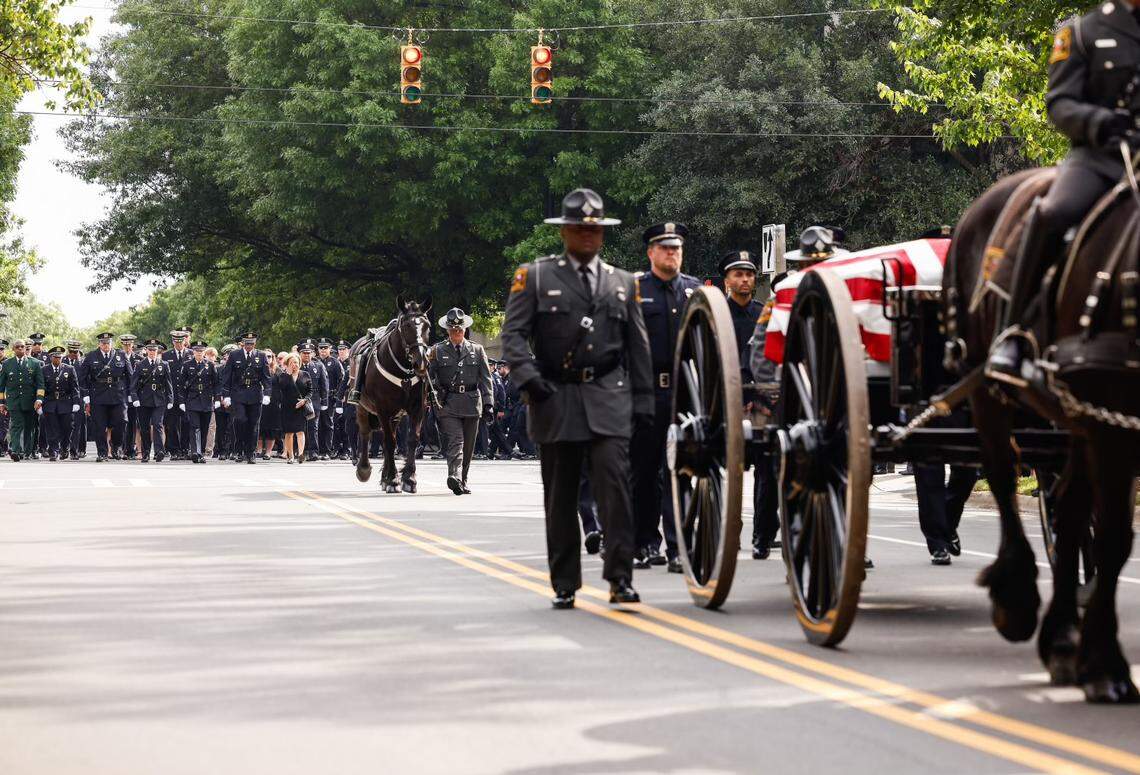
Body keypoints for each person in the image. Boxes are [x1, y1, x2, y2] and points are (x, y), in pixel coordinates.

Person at [500, 188, 653, 609]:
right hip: (555, 396)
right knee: (561, 496)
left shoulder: (623, 282)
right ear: (565, 231)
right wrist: (529, 379)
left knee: (616, 489)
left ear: (602, 233)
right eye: (580, 228)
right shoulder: (534, 276)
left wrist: (644, 401)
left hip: (608, 395)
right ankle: (564, 580)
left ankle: (620, 577)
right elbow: (512, 336)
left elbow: (636, 346)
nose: (588, 234)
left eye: (595, 228)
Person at [988, 1, 1140, 386]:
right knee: (1053, 212)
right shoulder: (1082, 32)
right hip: (1101, 159)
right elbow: (1059, 103)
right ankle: (1014, 334)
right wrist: (1099, 122)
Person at [747, 225, 845, 559]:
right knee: (777, 471)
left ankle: (843, 539)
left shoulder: (846, 297)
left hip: (832, 398)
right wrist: (776, 392)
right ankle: (769, 534)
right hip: (792, 398)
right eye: (811, 264)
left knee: (842, 468)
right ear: (802, 265)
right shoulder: (780, 300)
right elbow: (761, 350)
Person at [631, 222, 702, 573]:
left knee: (680, 470)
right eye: (665, 248)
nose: (672, 253)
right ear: (651, 252)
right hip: (644, 394)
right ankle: (645, 542)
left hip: (685, 395)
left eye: (676, 248)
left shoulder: (696, 291)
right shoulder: (635, 290)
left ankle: (679, 547)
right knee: (644, 473)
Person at [428, 308, 494, 495]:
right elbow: (429, 376)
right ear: (447, 331)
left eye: (460, 330)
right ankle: (454, 476)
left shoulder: (477, 350)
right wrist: (432, 394)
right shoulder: (438, 351)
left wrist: (489, 404)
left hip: (473, 402)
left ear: (464, 330)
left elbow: (486, 379)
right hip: (448, 403)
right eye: (453, 330)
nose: (457, 333)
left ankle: (463, 479)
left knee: (469, 445)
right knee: (456, 441)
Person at [79, 332, 132, 462]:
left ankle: (116, 446)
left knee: (122, 421)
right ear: (99, 344)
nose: (106, 345)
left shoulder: (121, 355)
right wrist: (86, 396)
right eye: (103, 343)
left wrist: (131, 394)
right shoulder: (91, 356)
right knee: (99, 426)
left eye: (108, 343)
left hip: (118, 394)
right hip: (98, 395)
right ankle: (102, 452)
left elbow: (130, 376)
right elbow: (82, 378)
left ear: (111, 343)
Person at [220, 332, 272, 464]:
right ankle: (239, 449)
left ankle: (251, 452)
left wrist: (267, 393)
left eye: (252, 344)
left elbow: (266, 377)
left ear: (255, 344)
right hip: (238, 393)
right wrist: (226, 395)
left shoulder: (261, 356)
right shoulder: (234, 355)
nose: (249, 346)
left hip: (255, 393)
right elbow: (227, 376)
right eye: (247, 343)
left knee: (254, 424)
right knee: (240, 420)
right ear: (243, 343)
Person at [721, 250, 764, 385]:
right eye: (738, 274)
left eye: (749, 274)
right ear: (727, 281)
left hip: (759, 391)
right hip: (725, 389)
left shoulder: (763, 313)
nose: (745, 279)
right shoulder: (718, 313)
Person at [130, 339, 174, 463]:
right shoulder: (140, 365)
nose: (152, 352)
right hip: (144, 400)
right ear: (146, 350)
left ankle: (159, 451)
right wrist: (135, 398)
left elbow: (168, 383)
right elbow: (134, 384)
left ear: (157, 351)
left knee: (158, 424)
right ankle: (145, 452)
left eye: (154, 350)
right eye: (150, 350)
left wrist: (170, 398)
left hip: (159, 400)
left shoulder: (164, 364)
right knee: (144, 428)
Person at [0, 339, 45, 461]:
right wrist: (1, 403)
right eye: (17, 347)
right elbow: (1, 386)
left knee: (30, 428)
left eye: (22, 347)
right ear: (13, 349)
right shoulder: (7, 364)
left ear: (25, 348)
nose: (20, 348)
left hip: (30, 401)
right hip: (13, 402)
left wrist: (39, 399)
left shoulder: (34, 363)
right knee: (16, 426)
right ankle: (16, 451)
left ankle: (27, 451)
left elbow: (40, 384)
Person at [178, 340, 221, 464]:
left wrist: (217, 399)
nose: (199, 353)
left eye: (201, 351)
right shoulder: (187, 365)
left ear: (204, 353)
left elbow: (216, 383)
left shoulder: (210, 365)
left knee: (204, 428)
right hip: (193, 400)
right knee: (194, 427)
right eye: (197, 351)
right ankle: (195, 452)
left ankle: (201, 452)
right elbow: (181, 385)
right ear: (193, 352)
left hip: (207, 401)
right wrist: (182, 401)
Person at [41, 346, 80, 461]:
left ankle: (64, 448)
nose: (58, 359)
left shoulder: (69, 369)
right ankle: (53, 450)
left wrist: (76, 402)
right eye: (55, 357)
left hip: (65, 402)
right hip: (50, 402)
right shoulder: (44, 369)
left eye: (60, 357)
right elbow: (41, 387)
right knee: (52, 428)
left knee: (67, 428)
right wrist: (40, 402)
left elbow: (75, 387)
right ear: (51, 357)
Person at [274, 353, 312, 464]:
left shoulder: (305, 374)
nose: (294, 365)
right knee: (289, 433)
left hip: (301, 407)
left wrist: (304, 400)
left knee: (300, 431)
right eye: (291, 363)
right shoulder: (283, 376)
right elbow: (282, 387)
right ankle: (290, 455)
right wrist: (289, 375)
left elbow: (310, 391)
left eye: (295, 362)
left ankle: (300, 454)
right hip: (287, 407)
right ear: (287, 364)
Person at [163, 328, 193, 458]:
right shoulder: (166, 355)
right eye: (176, 342)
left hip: (187, 395)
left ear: (184, 341)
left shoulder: (191, 354)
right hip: (173, 394)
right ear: (173, 342)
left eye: (181, 342)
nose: (179, 344)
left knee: (187, 422)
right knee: (172, 423)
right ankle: (174, 450)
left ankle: (185, 448)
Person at [298, 339, 328, 460]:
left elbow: (324, 384)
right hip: (299, 399)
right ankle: (301, 451)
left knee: (313, 427)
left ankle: (313, 451)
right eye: (304, 353)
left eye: (308, 353)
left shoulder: (318, 366)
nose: (306, 355)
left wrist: (324, 401)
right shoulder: (296, 364)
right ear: (300, 353)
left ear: (312, 353)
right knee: (300, 427)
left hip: (314, 400)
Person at [317, 338, 344, 458]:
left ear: (329, 349)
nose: (323, 350)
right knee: (317, 425)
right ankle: (318, 449)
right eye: (321, 348)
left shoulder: (335, 362)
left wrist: (338, 395)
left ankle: (327, 450)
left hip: (330, 397)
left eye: (325, 348)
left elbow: (342, 380)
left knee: (328, 424)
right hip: (317, 397)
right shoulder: (315, 362)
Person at [256, 349, 281, 460]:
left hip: (273, 402)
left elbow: (282, 387)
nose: (268, 358)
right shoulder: (257, 368)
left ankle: (268, 452)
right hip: (258, 400)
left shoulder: (278, 370)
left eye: (270, 356)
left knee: (271, 428)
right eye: (265, 356)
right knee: (260, 426)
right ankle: (259, 450)